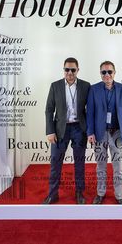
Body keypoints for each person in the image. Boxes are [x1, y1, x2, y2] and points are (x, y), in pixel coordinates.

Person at [43, 57, 90, 205]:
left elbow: (91, 109)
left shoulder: (85, 86)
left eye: (73, 70)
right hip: (59, 130)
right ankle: (52, 194)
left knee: (80, 163)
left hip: (79, 128)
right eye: (67, 69)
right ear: (63, 70)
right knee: (55, 163)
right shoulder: (55, 86)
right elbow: (49, 110)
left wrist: (90, 130)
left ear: (78, 70)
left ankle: (79, 192)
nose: (69, 72)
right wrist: (50, 131)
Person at [87, 60, 122, 205]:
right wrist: (90, 132)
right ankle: (100, 193)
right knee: (101, 165)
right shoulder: (93, 89)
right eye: (103, 72)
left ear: (114, 72)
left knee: (119, 166)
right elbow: (90, 113)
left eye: (109, 72)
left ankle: (119, 195)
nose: (107, 75)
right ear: (100, 74)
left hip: (117, 134)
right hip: (100, 134)